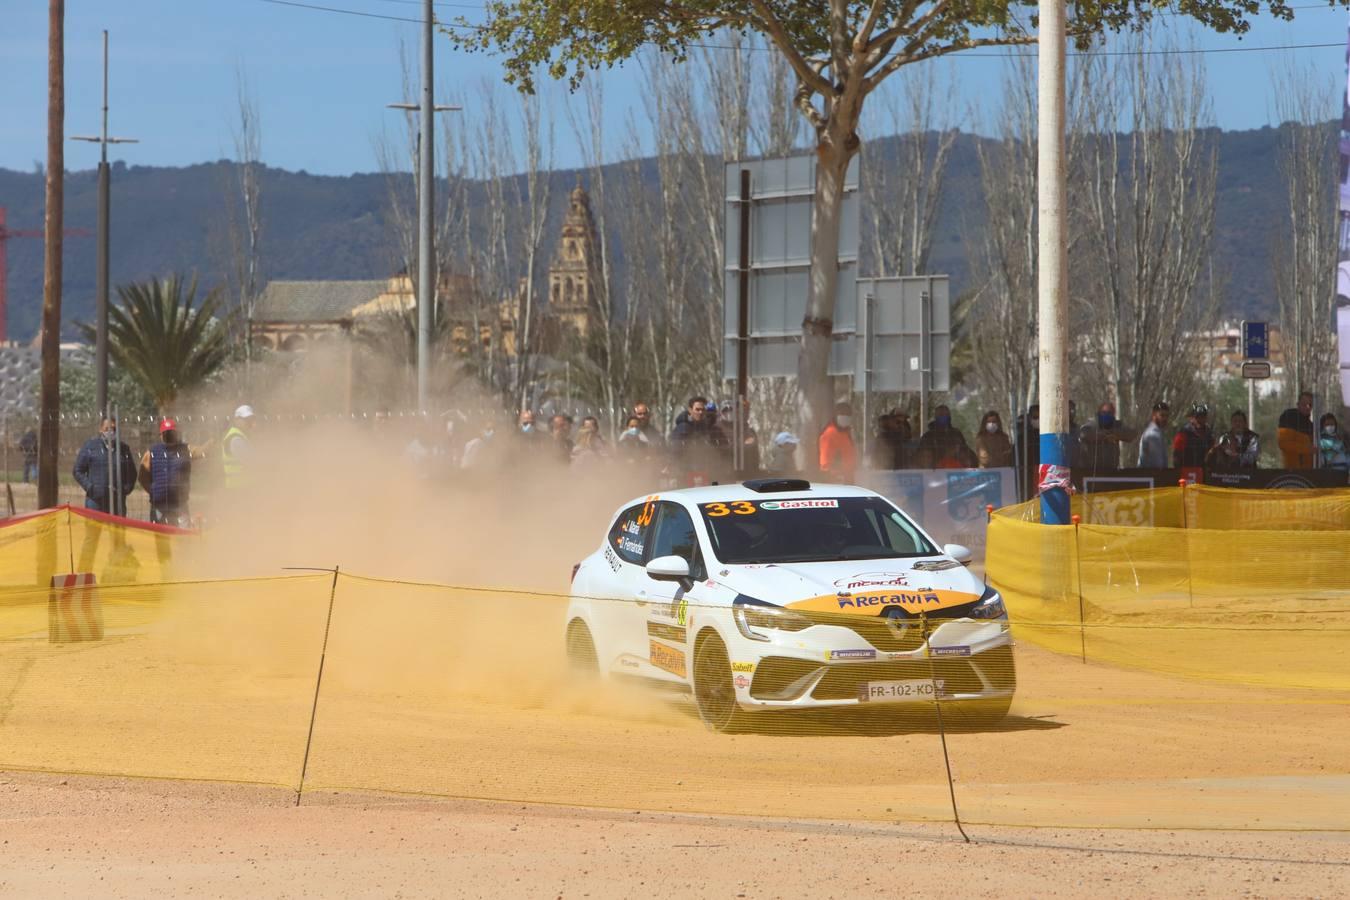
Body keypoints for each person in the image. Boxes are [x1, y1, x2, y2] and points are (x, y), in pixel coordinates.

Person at [73, 418, 137, 514]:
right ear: (101, 429)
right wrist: (90, 487)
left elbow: (132, 473)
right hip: (95, 501)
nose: (110, 432)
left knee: (116, 528)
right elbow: (78, 470)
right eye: (107, 429)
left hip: (117, 502)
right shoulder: (90, 447)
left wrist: (124, 490)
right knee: (93, 528)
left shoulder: (124, 449)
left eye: (113, 429)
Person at [138, 418, 193, 527]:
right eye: (166, 433)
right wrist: (153, 491)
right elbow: (142, 476)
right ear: (161, 435)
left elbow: (199, 451)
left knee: (183, 536)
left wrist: (210, 444)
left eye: (171, 433)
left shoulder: (185, 449)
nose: (169, 436)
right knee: (161, 538)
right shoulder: (152, 452)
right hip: (159, 504)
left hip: (179, 503)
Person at [670, 396, 730, 481]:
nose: (700, 412)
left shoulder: (710, 429)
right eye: (697, 409)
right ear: (690, 410)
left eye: (702, 409)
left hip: (708, 474)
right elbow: (675, 454)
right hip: (686, 475)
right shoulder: (682, 429)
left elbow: (722, 450)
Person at [1077, 402, 1140, 475]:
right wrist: (1105, 436)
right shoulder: (1091, 425)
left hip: (1111, 471)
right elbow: (1083, 434)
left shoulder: (1116, 425)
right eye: (1103, 412)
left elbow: (1132, 434)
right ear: (1099, 413)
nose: (1106, 415)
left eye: (1109, 413)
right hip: (1091, 472)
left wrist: (1115, 434)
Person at [818, 402, 858, 482]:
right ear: (835, 415)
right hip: (835, 480)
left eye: (848, 414)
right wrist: (836, 477)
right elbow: (825, 464)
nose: (845, 416)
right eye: (842, 413)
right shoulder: (829, 433)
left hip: (848, 477)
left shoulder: (846, 432)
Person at [1277, 391, 1315, 469]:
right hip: (1292, 471)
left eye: (1310, 405)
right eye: (1304, 404)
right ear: (1298, 404)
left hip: (1310, 472)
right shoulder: (1289, 417)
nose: (1307, 407)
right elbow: (1284, 443)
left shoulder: (1311, 426)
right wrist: (1306, 449)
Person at [221, 405, 254, 490]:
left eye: (251, 419)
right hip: (239, 488)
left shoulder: (241, 435)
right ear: (237, 420)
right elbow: (251, 461)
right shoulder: (236, 438)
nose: (249, 422)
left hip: (239, 487)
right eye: (246, 419)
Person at [1172, 403, 1213, 468]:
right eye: (1198, 417)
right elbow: (1176, 456)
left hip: (1203, 472)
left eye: (1202, 417)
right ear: (1193, 418)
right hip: (1186, 471)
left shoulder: (1209, 435)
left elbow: (1212, 455)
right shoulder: (1183, 433)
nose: (1200, 420)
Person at [1137, 401, 1171, 468]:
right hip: (1149, 475)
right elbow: (1157, 464)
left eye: (1167, 416)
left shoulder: (1158, 433)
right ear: (1154, 415)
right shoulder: (1152, 435)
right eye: (1162, 415)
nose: (1165, 419)